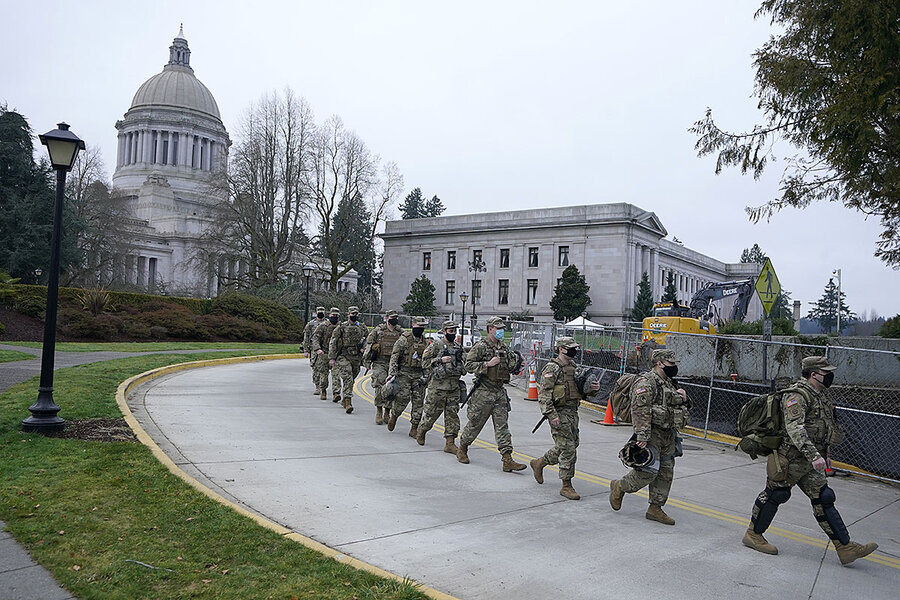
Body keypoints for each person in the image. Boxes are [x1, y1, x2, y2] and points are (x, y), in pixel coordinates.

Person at [742, 356, 878, 565]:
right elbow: (795, 428)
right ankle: (753, 535)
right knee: (775, 494)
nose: (830, 376)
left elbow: (825, 428)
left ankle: (845, 547)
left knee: (824, 498)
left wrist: (824, 454)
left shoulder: (820, 395)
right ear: (814, 374)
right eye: (826, 373)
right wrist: (814, 455)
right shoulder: (797, 395)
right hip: (790, 458)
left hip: (811, 460)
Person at [609, 349, 690, 525]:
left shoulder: (669, 382)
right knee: (647, 472)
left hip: (668, 434)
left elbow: (675, 404)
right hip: (652, 434)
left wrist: (684, 398)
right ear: (659, 363)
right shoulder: (646, 382)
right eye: (671, 363)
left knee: (666, 472)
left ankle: (656, 508)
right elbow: (640, 409)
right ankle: (620, 486)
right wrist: (642, 435)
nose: (674, 367)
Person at [530, 337, 599, 500]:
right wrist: (551, 415)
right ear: (561, 349)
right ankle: (566, 485)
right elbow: (544, 394)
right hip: (558, 413)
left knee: (570, 444)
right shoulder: (552, 368)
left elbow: (580, 390)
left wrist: (593, 389)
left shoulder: (573, 367)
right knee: (568, 448)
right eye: (570, 348)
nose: (574, 351)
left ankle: (540, 462)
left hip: (572, 412)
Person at [457, 316, 526, 472]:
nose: (501, 331)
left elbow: (509, 364)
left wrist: (516, 363)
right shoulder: (481, 346)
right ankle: (462, 447)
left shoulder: (503, 347)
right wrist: (487, 364)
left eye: (502, 328)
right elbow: (468, 365)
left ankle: (507, 459)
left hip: (499, 391)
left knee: (502, 426)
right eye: (498, 328)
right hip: (483, 391)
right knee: (475, 424)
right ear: (490, 329)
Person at [416, 320, 465, 454]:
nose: (453, 334)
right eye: (450, 331)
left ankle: (450, 443)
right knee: (431, 414)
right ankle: (422, 430)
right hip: (437, 387)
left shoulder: (457, 347)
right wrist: (439, 360)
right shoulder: (436, 346)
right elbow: (424, 363)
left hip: (453, 387)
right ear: (444, 331)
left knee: (452, 416)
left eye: (454, 331)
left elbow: (465, 364)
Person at [387, 316, 430, 437]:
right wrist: (392, 373)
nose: (420, 328)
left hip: (418, 375)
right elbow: (395, 356)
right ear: (413, 324)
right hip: (404, 374)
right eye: (418, 326)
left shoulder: (425, 341)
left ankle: (414, 427)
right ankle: (394, 416)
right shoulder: (404, 339)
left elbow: (427, 359)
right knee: (402, 399)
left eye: (422, 326)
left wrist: (427, 375)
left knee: (418, 403)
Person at [363, 310, 404, 425]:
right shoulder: (378, 331)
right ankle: (379, 411)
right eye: (392, 317)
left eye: (396, 317)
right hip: (380, 362)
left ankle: (387, 411)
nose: (394, 320)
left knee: (392, 387)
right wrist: (367, 360)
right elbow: (368, 345)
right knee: (379, 386)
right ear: (386, 318)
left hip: (394, 363)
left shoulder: (400, 332)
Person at [328, 306, 369, 414]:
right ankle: (348, 401)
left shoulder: (362, 327)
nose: (355, 316)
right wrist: (332, 357)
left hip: (356, 357)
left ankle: (345, 398)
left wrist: (364, 348)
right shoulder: (342, 327)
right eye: (353, 314)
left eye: (356, 314)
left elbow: (368, 340)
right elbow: (333, 341)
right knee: (348, 378)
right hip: (344, 356)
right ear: (348, 314)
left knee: (352, 378)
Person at [311, 307, 340, 401]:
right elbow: (315, 337)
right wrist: (318, 349)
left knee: (336, 374)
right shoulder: (323, 326)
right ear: (329, 315)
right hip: (324, 353)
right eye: (333, 315)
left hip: (336, 355)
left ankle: (336, 393)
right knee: (323, 374)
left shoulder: (341, 326)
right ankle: (323, 390)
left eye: (336, 315)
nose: (334, 317)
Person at [303, 306, 327, 395]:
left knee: (323, 368)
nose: (321, 313)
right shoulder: (311, 324)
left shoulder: (327, 323)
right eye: (319, 312)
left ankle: (323, 386)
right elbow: (306, 337)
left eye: (322, 312)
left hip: (324, 349)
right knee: (315, 367)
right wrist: (305, 349)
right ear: (316, 313)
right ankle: (317, 386)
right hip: (314, 349)